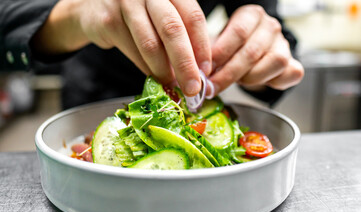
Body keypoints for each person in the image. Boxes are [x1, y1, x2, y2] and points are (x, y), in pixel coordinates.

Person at [0, 0, 304, 109]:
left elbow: (272, 30)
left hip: (188, 103)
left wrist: (257, 59)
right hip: (93, 95)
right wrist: (78, 13)